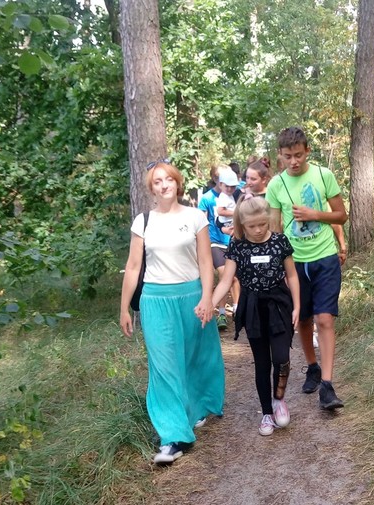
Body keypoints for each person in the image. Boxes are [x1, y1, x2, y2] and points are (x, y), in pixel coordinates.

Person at [119, 160, 225, 465]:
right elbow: (133, 267)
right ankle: (173, 437)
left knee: (194, 357)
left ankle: (195, 407)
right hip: (155, 300)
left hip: (191, 296)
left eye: (168, 179)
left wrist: (207, 298)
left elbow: (205, 261)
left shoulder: (195, 217)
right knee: (164, 366)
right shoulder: (143, 222)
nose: (164, 185)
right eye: (157, 181)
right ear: (151, 189)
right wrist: (124, 308)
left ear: (178, 183)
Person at [265, 127, 348, 410]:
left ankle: (327, 385)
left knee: (325, 319)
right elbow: (275, 228)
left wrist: (316, 214)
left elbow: (341, 215)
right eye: (288, 156)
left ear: (307, 151)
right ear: (280, 154)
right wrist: (277, 264)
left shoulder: (323, 175)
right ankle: (312, 366)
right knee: (303, 319)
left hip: (325, 257)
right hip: (294, 262)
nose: (294, 161)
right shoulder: (276, 185)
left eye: (298, 155)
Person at [210, 195, 300, 435]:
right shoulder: (237, 245)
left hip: (279, 304)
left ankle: (279, 399)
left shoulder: (280, 241)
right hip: (252, 307)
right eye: (252, 226)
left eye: (262, 224)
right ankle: (267, 413)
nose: (258, 230)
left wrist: (297, 306)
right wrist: (210, 303)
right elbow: (226, 280)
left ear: (268, 219)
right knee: (261, 363)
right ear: (242, 224)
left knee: (281, 358)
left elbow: (291, 275)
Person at [198, 166, 234, 329]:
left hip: (232, 240)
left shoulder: (234, 195)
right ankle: (221, 313)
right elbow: (201, 222)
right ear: (215, 179)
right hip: (214, 241)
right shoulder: (207, 198)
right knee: (223, 273)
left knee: (234, 278)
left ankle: (235, 309)